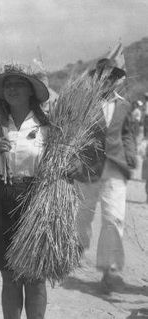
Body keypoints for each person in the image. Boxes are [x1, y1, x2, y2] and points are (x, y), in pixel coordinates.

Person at [0, 66, 51, 319]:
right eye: (7, 85)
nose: (12, 89)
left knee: (35, 277)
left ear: (31, 91)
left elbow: (71, 166)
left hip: (36, 200)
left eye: (19, 84)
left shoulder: (46, 125)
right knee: (10, 275)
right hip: (2, 198)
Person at [75, 58, 137, 293]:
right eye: (102, 76)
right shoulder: (83, 104)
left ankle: (109, 271)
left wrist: (129, 154)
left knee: (113, 218)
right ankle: (77, 250)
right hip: (88, 167)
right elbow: (75, 134)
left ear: (115, 79)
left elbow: (128, 133)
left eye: (111, 77)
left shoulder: (124, 105)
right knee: (83, 214)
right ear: (96, 78)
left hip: (115, 167)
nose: (107, 80)